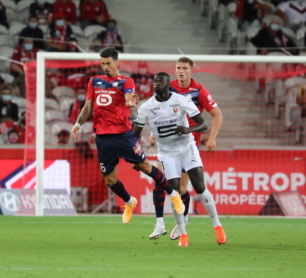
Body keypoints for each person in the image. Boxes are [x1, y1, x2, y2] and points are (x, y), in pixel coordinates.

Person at [70, 48, 185, 225]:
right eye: (102, 63)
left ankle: (173, 194)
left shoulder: (126, 81)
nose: (105, 66)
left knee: (145, 167)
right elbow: (88, 107)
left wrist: (131, 102)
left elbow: (129, 99)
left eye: (108, 63)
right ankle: (129, 202)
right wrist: (78, 124)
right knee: (109, 180)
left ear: (117, 63)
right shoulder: (94, 81)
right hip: (102, 137)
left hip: (123, 135)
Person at [133, 72, 224, 246]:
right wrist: (135, 155)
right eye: (155, 81)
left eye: (161, 81)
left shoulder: (181, 100)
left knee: (199, 187)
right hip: (166, 152)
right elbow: (134, 135)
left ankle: (217, 225)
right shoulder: (146, 106)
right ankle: (183, 233)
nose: (157, 83)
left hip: (186, 147)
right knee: (173, 192)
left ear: (169, 85)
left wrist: (186, 130)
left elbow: (203, 124)